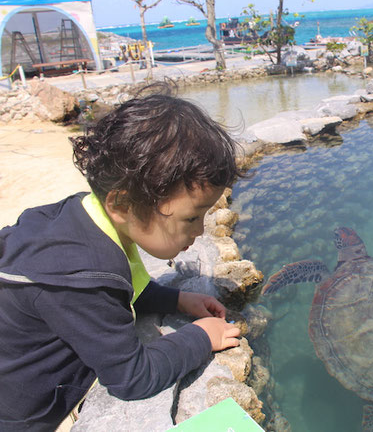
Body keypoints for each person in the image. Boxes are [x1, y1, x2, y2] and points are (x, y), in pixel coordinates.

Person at [0, 84, 245, 431]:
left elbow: (131, 286)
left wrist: (178, 299)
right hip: (21, 416)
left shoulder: (90, 220)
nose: (200, 231)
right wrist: (203, 337)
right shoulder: (79, 276)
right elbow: (133, 377)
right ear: (123, 205)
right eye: (191, 218)